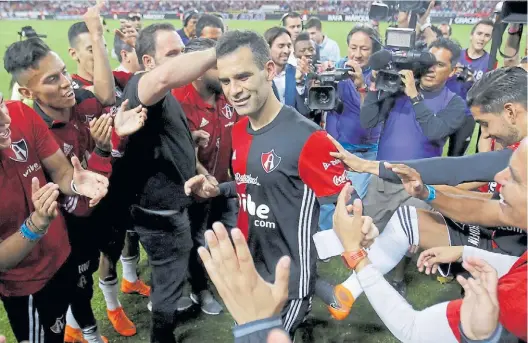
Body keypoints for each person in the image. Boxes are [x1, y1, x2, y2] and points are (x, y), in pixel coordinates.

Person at [184, 30, 348, 338]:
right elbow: (250, 182)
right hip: (251, 270)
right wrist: (217, 188)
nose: (234, 90)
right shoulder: (240, 130)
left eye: (243, 77)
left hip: (290, 282)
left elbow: (345, 201)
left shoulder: (308, 138)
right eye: (227, 81)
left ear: (269, 70)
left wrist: (355, 236)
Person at [329, 66, 528, 321]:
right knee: (408, 218)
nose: (486, 133)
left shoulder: (518, 154)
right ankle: (349, 289)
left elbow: (461, 168)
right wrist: (429, 194)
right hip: (502, 237)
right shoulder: (516, 149)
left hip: (515, 261)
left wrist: (368, 166)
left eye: (485, 124)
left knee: (467, 323)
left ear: (510, 112)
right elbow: (489, 205)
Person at [120, 22, 216, 343]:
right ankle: (162, 337)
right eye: (172, 54)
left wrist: (189, 140)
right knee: (168, 284)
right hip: (160, 212)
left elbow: (159, 135)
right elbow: (161, 77)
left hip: (172, 203)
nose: (181, 60)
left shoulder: (164, 95)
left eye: (182, 52)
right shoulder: (144, 86)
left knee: (173, 276)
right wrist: (220, 51)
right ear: (148, 62)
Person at [0, 92, 109, 343]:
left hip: (62, 254)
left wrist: (76, 182)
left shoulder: (18, 112)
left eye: (1, 103)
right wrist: (36, 225)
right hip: (28, 285)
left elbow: (60, 171)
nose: (5, 119)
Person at [67, 16, 148, 337]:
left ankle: (113, 304)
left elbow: (144, 78)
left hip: (119, 186)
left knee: (112, 250)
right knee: (82, 268)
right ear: (74, 55)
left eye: (100, 46)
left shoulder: (116, 79)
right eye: (90, 48)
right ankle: (79, 327)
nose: (97, 53)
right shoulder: (67, 95)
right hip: (87, 195)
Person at [172, 38, 238, 315]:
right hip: (190, 190)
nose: (223, 72)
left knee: (218, 237)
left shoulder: (228, 96)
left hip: (222, 187)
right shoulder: (176, 101)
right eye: (216, 65)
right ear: (198, 69)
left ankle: (209, 282)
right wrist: (202, 175)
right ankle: (199, 289)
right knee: (192, 241)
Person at [263, 27, 309, 116]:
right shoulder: (260, 75)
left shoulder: (297, 73)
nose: (286, 50)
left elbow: (304, 111)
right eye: (281, 46)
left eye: (288, 46)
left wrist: (299, 83)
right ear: (268, 48)